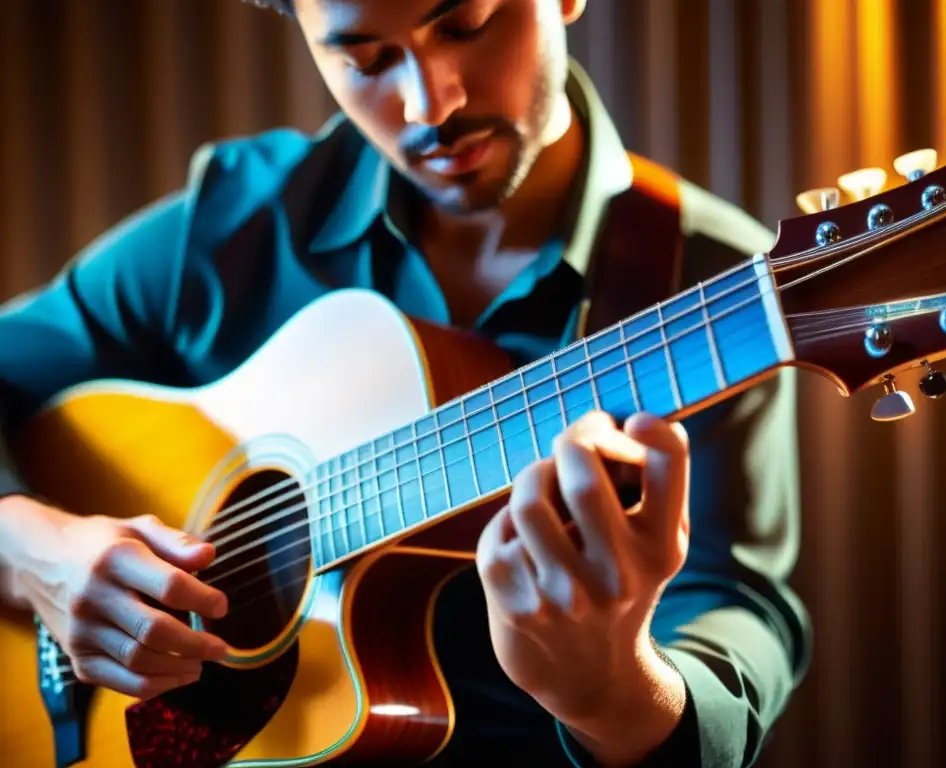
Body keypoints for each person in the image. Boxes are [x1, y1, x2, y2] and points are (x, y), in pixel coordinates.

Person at [0, 0, 810, 766]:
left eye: (467, 23)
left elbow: (735, 605)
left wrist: (620, 694)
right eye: (367, 58)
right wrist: (37, 549)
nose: (430, 103)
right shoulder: (236, 223)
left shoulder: (708, 284)